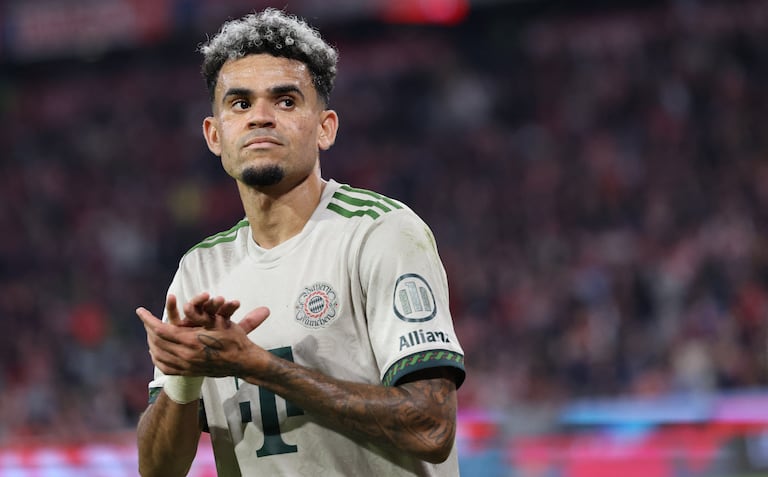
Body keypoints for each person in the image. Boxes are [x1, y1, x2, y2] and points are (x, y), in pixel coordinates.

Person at [135, 8, 466, 477]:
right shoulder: (200, 270)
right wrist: (185, 381)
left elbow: (431, 428)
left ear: (325, 127)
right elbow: (157, 471)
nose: (261, 118)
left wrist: (260, 367)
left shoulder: (380, 233)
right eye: (240, 104)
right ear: (215, 135)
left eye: (286, 101)